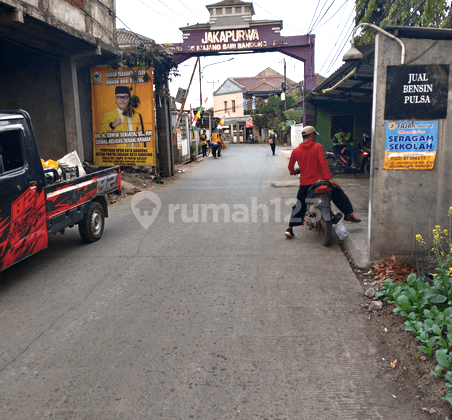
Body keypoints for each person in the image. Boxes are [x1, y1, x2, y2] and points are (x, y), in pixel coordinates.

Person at [285, 126, 361, 239]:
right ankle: (348, 214)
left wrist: (292, 172)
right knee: (338, 193)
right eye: (314, 135)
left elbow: (290, 167)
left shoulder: (296, 151)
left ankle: (290, 228)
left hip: (306, 184)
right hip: (322, 181)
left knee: (300, 204)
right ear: (311, 136)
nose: (314, 137)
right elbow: (323, 163)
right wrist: (329, 178)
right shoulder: (317, 147)